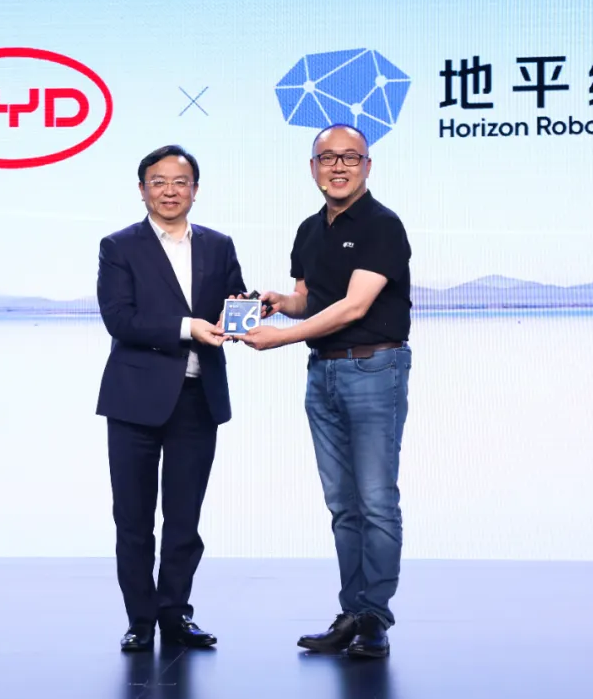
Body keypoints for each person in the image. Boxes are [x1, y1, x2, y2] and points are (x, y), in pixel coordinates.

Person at [240, 124, 411, 659]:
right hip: (324, 373)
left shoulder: (383, 225)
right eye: (328, 158)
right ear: (312, 167)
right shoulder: (309, 229)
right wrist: (277, 303)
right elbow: (310, 300)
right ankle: (353, 611)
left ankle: (374, 619)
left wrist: (282, 338)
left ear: (367, 165)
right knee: (342, 505)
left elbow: (355, 306)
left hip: (373, 369)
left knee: (376, 501)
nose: (338, 166)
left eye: (350, 157)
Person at [95, 144, 245, 652]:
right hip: (134, 400)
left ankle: (176, 615)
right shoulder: (119, 246)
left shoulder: (219, 245)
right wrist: (187, 327)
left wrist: (246, 312)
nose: (169, 191)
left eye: (180, 182)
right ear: (142, 190)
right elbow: (120, 319)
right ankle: (140, 620)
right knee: (133, 519)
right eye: (158, 182)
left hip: (198, 398)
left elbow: (233, 300)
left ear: (195, 190)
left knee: (184, 519)